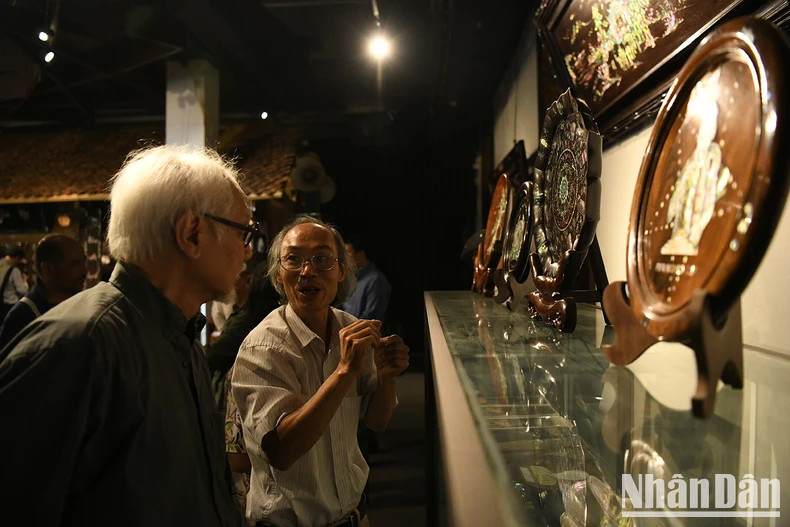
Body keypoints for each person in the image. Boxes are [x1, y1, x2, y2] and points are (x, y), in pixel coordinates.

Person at [0, 144, 255, 526]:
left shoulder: (180, 337)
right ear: (192, 233)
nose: (247, 252)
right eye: (244, 232)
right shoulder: (80, 343)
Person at [232, 215, 410, 526]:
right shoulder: (262, 348)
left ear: (342, 270)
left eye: (322, 259)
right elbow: (282, 453)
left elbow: (377, 422)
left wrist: (386, 377)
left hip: (354, 516)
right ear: (277, 273)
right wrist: (343, 373)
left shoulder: (350, 328)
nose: (308, 271)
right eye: (294, 259)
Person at [0, 234, 87, 349]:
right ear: (47, 269)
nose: (84, 271)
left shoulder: (84, 304)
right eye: (74, 265)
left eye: (83, 263)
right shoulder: (22, 317)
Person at [339, 233, 391, 324]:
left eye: (347, 254)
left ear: (361, 255)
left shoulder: (376, 280)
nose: (344, 259)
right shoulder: (351, 278)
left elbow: (371, 318)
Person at [0, 245, 29, 322]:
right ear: (16, 258)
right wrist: (25, 281)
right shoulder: (14, 270)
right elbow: (22, 290)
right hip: (10, 305)